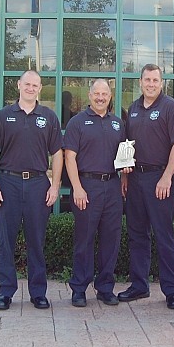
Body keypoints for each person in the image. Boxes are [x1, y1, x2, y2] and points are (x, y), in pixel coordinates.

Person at [0, 69, 63, 310]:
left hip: (39, 184)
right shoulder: (4, 115)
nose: (30, 88)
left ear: (40, 88)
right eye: (26, 84)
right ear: (18, 85)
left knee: (36, 241)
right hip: (8, 183)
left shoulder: (48, 117)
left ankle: (38, 293)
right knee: (6, 241)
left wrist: (55, 185)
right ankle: (5, 292)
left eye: (35, 85)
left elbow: (57, 154)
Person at [119, 63, 174, 309]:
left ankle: (171, 291)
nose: (150, 84)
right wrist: (125, 177)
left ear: (162, 83)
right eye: (146, 80)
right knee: (137, 234)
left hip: (160, 179)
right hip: (136, 179)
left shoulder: (171, 108)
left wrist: (167, 176)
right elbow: (127, 145)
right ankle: (139, 285)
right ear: (140, 82)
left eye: (155, 80)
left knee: (163, 235)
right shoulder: (134, 109)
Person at [62, 79, 129, 307]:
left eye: (105, 94)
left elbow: (124, 157)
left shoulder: (118, 124)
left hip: (112, 186)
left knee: (111, 239)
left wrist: (125, 178)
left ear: (110, 97)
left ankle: (105, 288)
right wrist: (77, 187)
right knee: (85, 239)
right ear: (89, 95)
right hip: (86, 186)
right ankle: (79, 288)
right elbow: (69, 157)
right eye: (96, 93)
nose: (101, 97)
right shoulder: (77, 123)